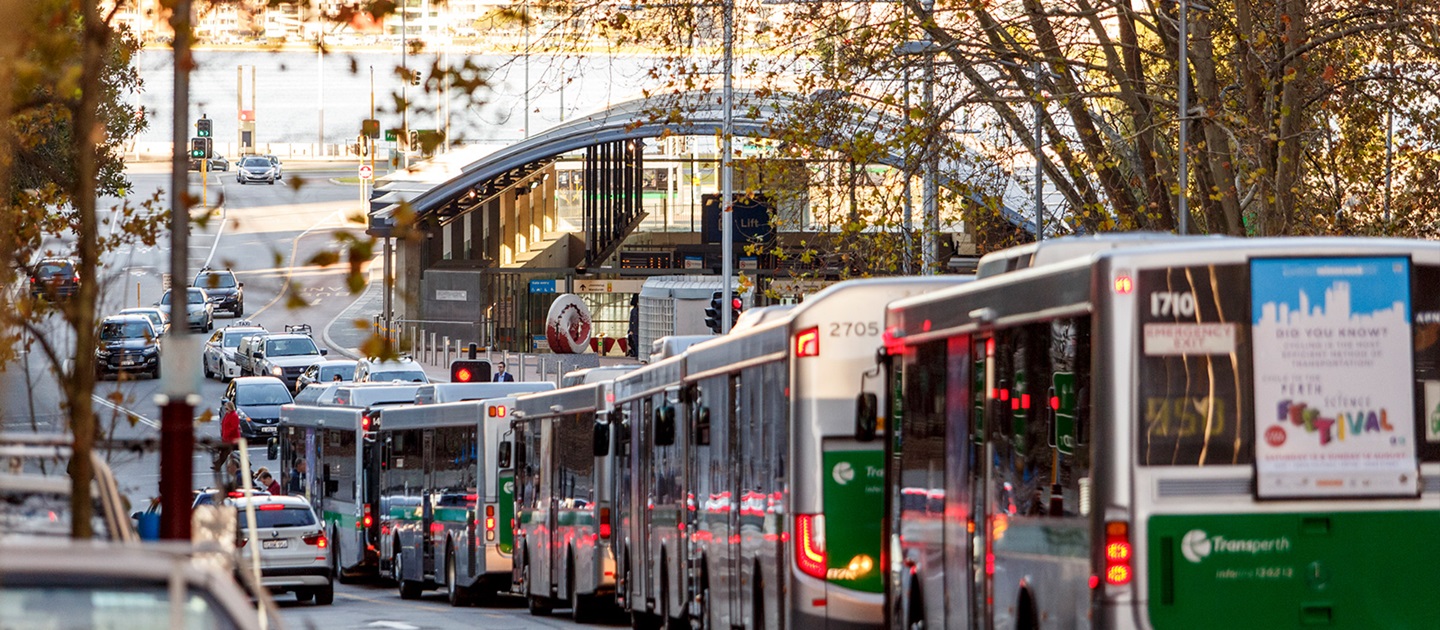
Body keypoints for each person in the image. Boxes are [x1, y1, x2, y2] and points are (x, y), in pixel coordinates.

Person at [213, 400, 241, 471]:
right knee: (225, 452)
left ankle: (217, 464)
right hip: (227, 438)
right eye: (225, 408)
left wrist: (227, 434)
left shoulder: (234, 415)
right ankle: (217, 464)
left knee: (225, 452)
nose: (226, 410)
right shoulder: (227, 414)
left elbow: (234, 427)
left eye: (227, 408)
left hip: (233, 439)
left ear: (230, 407)